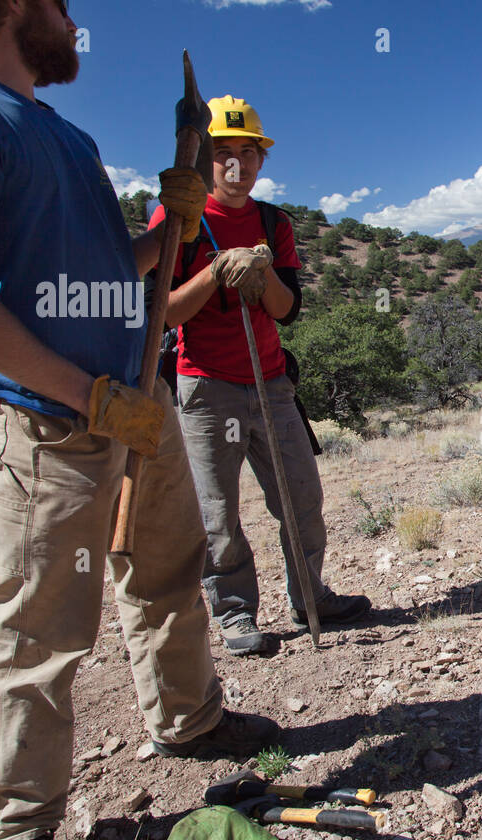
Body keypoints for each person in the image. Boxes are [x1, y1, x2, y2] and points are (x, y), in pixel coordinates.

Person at [0, 0, 279, 840]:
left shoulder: (64, 135)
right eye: (64, 7)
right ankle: (17, 832)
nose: (75, 22)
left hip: (132, 407)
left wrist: (169, 228)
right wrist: (87, 397)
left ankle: (190, 721)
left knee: (169, 573)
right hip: (47, 422)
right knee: (38, 624)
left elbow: (114, 271)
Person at [149, 94, 369, 656]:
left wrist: (262, 268)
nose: (235, 166)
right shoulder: (178, 217)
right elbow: (164, 315)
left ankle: (311, 596)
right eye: (223, 153)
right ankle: (235, 614)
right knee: (218, 513)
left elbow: (285, 310)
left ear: (261, 160)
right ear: (204, 159)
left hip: (271, 381)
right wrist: (217, 273)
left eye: (247, 153)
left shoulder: (275, 222)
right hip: (205, 385)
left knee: (301, 498)